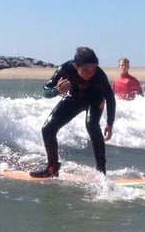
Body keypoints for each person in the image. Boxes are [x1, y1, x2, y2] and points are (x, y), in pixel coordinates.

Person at [30, 47, 116, 177]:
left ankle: (101, 171)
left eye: (93, 69)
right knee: (47, 129)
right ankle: (52, 168)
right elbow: (45, 92)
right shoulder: (64, 70)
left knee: (92, 125)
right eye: (86, 70)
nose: (91, 73)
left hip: (95, 100)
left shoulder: (99, 75)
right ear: (76, 66)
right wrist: (57, 91)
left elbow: (110, 97)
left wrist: (109, 123)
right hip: (74, 98)